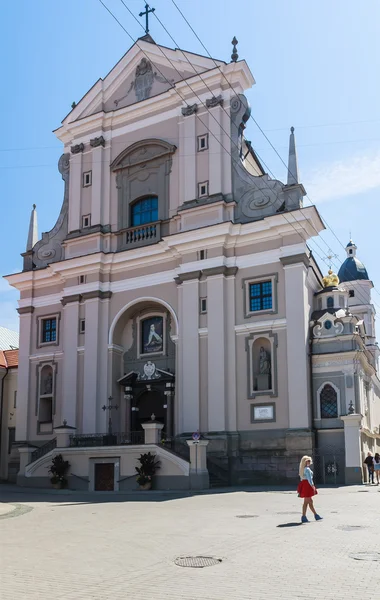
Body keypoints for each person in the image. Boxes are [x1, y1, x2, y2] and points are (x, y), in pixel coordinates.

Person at [297, 455, 322, 523]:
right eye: (308, 461)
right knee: (306, 502)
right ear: (305, 462)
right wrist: (313, 486)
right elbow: (309, 479)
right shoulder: (307, 469)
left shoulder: (302, 469)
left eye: (309, 461)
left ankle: (316, 515)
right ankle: (304, 517)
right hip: (307, 485)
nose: (309, 462)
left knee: (310, 502)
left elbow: (302, 478)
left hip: (304, 485)